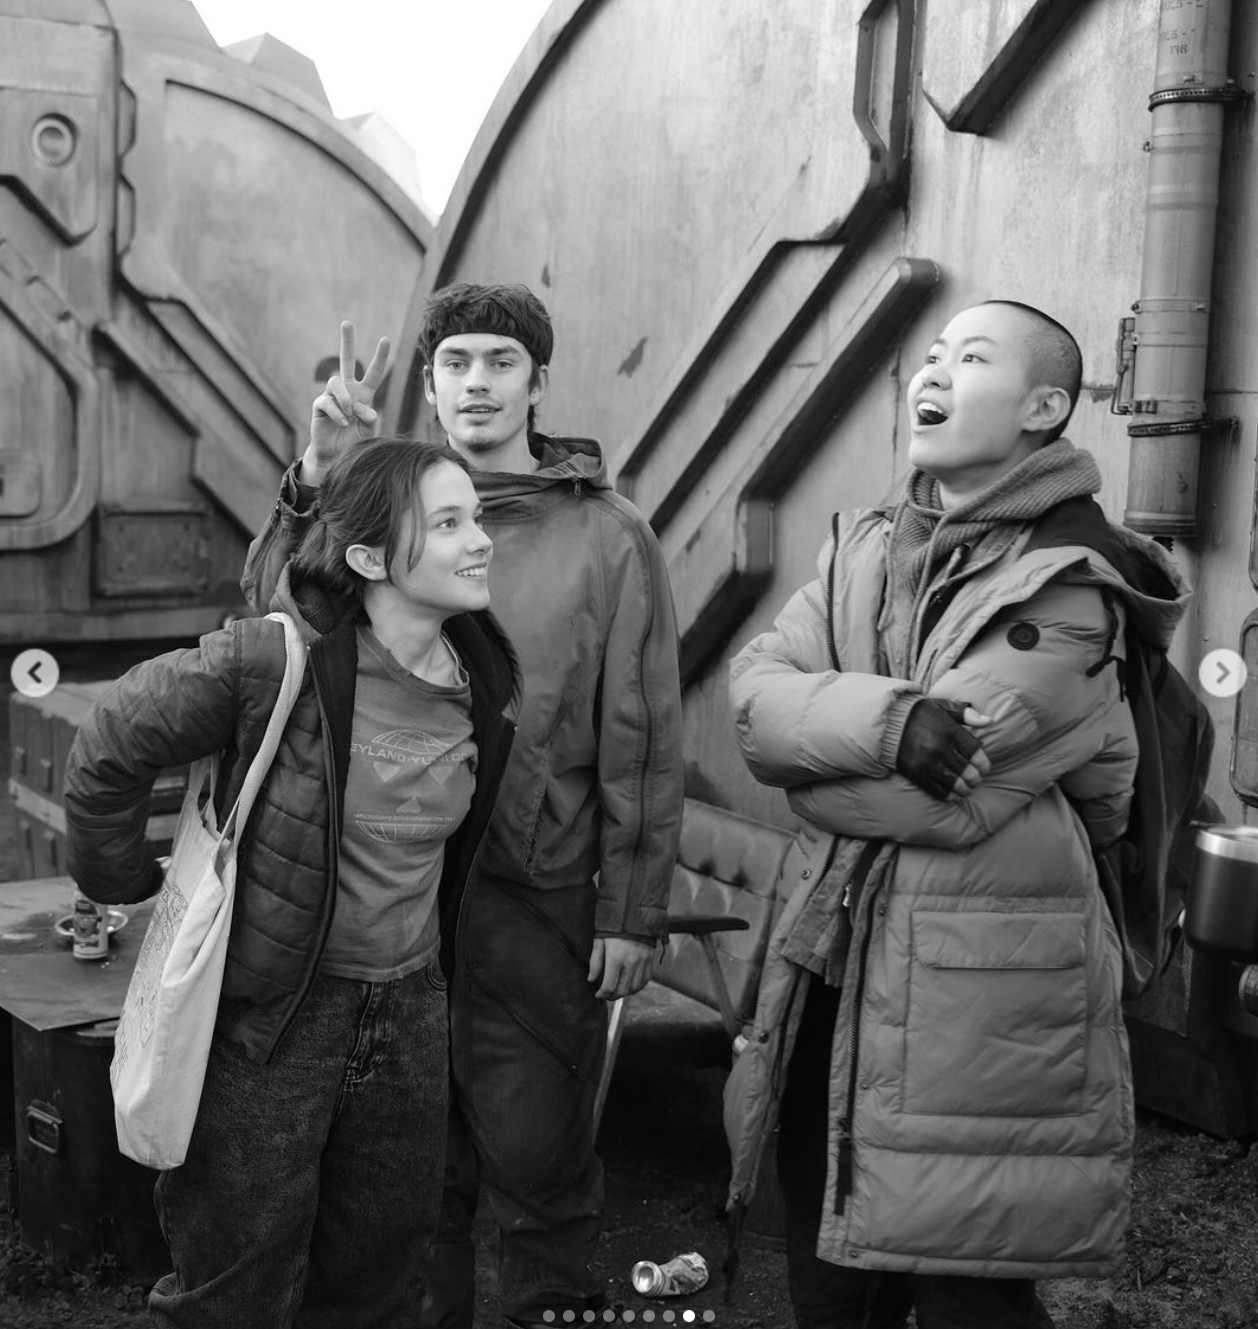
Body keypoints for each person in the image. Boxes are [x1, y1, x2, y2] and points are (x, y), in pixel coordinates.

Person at [726, 300, 1191, 1329]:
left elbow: (935, 803)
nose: (931, 374)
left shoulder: (1073, 582)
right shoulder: (864, 544)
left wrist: (817, 770)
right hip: (835, 964)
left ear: (1044, 408)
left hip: (983, 995)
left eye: (970, 358)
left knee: (967, 1293)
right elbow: (753, 704)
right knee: (830, 1284)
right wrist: (893, 721)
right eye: (930, 355)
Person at [241, 284, 685, 1328]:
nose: (476, 382)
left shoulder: (609, 535)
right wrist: (317, 477)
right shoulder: (378, 505)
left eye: (500, 361)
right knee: (403, 1177)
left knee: (540, 1162)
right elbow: (271, 628)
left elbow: (643, 731)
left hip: (535, 895)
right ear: (430, 384)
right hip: (390, 896)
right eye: (455, 363)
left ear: (539, 381)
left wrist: (631, 913)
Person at [63, 438, 520, 1328]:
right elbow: (111, 740)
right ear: (369, 559)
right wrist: (122, 878)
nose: (481, 539)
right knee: (238, 1285)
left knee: (378, 1280)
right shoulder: (276, 661)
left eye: (478, 516)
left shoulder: (484, 678)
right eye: (449, 523)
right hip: (277, 1014)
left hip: (410, 1013)